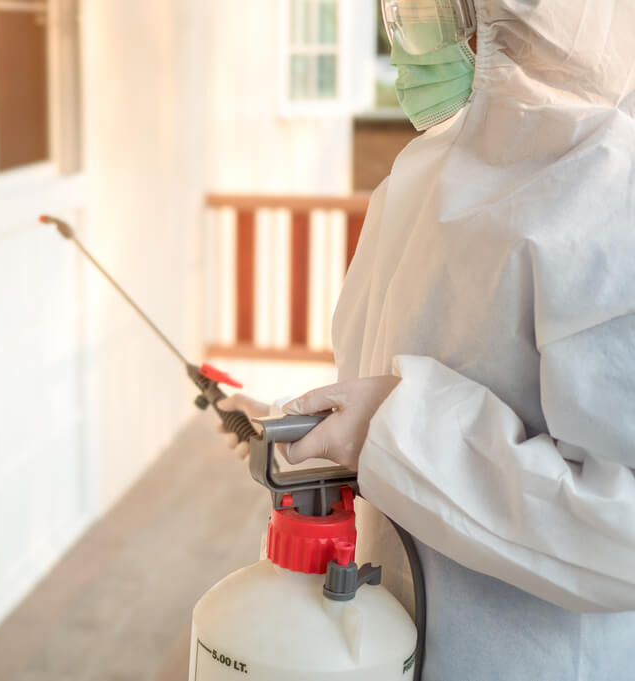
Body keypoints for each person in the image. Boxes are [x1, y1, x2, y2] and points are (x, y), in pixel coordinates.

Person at [219, 0, 635, 677]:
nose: (403, 30)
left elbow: (625, 530)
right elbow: (368, 393)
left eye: (425, 6)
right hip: (385, 641)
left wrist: (396, 427)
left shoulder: (612, 198)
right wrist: (315, 435)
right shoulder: (411, 187)